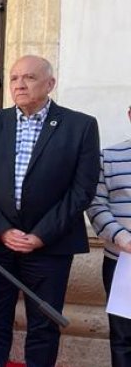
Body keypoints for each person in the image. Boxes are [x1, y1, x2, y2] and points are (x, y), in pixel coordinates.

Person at [0, 55, 100, 367]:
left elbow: (82, 191)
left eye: (29, 78)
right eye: (14, 78)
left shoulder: (80, 126)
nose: (19, 85)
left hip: (50, 246)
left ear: (50, 83)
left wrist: (40, 235)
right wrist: (2, 230)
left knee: (43, 325)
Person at [87, 104, 131, 367]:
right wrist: (122, 237)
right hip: (121, 261)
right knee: (123, 337)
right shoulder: (109, 157)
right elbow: (96, 204)